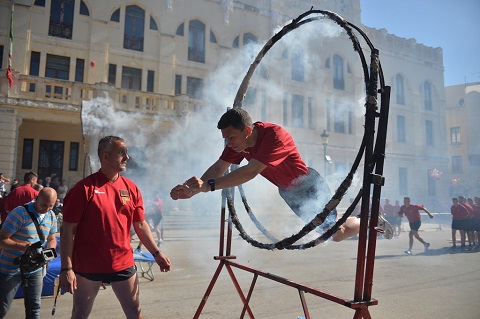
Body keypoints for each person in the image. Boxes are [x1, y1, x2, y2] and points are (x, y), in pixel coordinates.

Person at [170, 108, 393, 242]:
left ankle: (369, 219)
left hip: (309, 186)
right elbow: (219, 167)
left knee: (337, 233)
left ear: (247, 131)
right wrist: (194, 190)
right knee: (331, 236)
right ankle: (364, 220)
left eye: (230, 137)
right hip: (289, 193)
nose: (228, 143)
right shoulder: (238, 144)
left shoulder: (274, 135)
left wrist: (207, 186)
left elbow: (250, 172)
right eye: (225, 138)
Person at [59, 135, 171, 319]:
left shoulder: (131, 188)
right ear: (106, 156)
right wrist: (66, 269)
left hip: (123, 262)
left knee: (135, 312)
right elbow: (67, 231)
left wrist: (156, 253)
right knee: (80, 314)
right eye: (121, 153)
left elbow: (140, 224)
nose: (127, 157)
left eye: (126, 153)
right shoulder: (84, 189)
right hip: (88, 266)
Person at [0, 187, 58, 318]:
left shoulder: (51, 215)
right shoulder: (19, 213)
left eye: (51, 206)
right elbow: (1, 239)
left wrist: (50, 251)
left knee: (34, 308)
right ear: (37, 198)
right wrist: (23, 247)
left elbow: (52, 239)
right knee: (2, 307)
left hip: (34, 268)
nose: (47, 209)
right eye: (44, 205)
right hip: (11, 268)